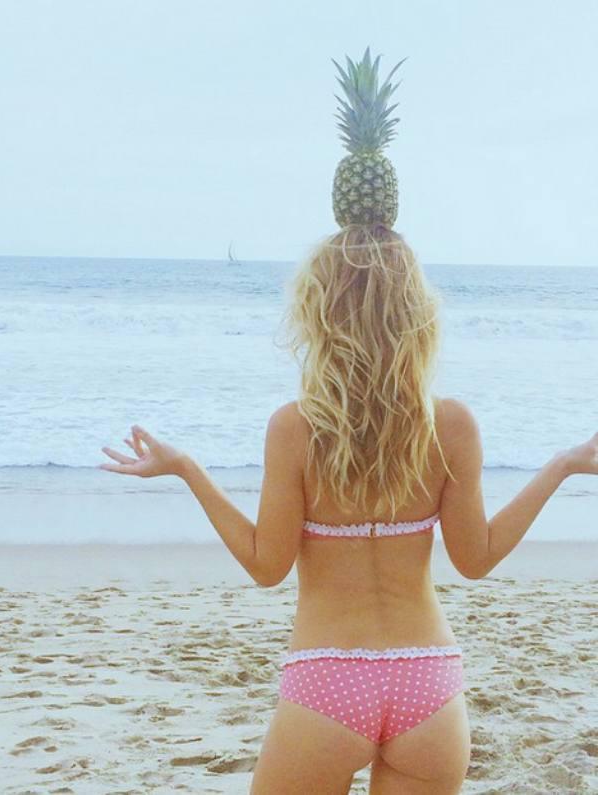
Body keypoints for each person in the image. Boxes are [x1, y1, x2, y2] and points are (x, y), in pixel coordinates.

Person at [99, 50, 598, 795]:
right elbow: (477, 558)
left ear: (320, 311)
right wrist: (563, 464)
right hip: (430, 680)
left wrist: (187, 470)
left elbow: (268, 567)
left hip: (327, 681)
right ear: (416, 312)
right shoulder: (450, 424)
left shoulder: (296, 428)